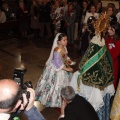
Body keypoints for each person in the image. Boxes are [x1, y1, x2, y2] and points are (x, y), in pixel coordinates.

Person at [70, 12, 115, 120]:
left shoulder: (95, 41)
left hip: (93, 75)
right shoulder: (102, 40)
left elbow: (88, 56)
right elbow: (106, 58)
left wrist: (81, 66)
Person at [35, 33, 75, 108]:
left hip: (63, 66)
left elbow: (65, 56)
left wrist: (69, 60)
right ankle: (53, 99)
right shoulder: (56, 51)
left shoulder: (64, 48)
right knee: (55, 84)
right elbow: (57, 64)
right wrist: (68, 69)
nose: (66, 41)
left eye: (66, 40)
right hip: (57, 69)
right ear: (59, 41)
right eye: (64, 40)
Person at [105, 21, 120, 89]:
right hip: (105, 63)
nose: (109, 31)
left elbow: (115, 54)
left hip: (113, 65)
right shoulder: (107, 38)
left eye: (111, 30)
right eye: (109, 29)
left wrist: (107, 59)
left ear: (115, 31)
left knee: (112, 82)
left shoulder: (118, 41)